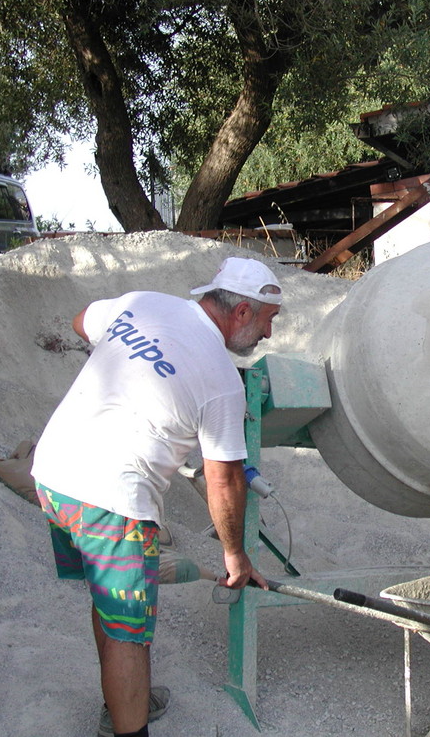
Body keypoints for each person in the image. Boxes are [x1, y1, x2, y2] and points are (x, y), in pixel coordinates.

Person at [31, 256, 278, 737]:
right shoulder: (222, 382)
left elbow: (82, 321)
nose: (268, 335)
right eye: (269, 321)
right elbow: (225, 481)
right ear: (243, 312)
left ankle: (124, 700)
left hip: (55, 474)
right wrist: (235, 556)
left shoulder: (144, 303)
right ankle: (128, 726)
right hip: (111, 503)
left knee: (110, 600)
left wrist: (138, 361)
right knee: (130, 635)